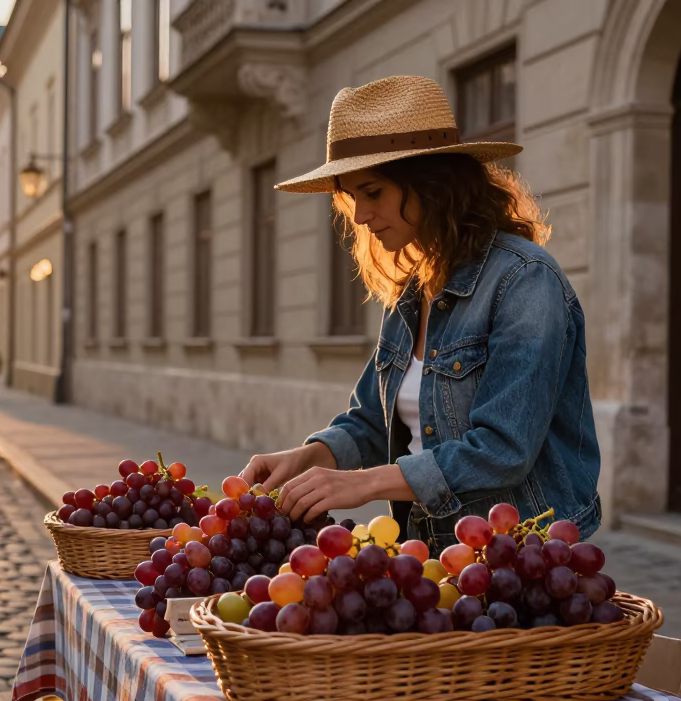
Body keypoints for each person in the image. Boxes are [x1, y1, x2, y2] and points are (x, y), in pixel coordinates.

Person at [240, 75, 600, 552]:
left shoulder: (525, 281)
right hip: (429, 553)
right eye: (352, 198)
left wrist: (363, 484)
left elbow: (503, 450)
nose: (361, 216)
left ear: (431, 186)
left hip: (520, 558)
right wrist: (309, 455)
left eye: (372, 192)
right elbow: (372, 420)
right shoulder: (415, 288)